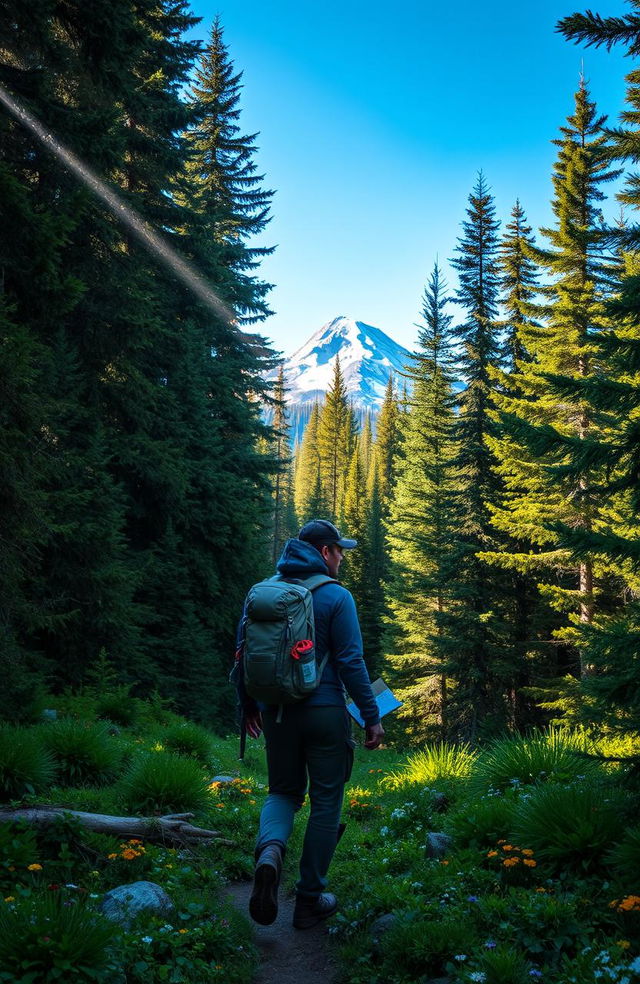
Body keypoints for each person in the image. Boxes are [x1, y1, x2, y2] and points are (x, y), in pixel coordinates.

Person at [239, 519, 384, 930]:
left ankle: (270, 853)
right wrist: (371, 717)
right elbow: (351, 662)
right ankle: (307, 901)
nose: (342, 557)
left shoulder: (263, 591)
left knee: (282, 791)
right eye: (339, 550)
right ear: (324, 552)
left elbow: (243, 652)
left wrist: (248, 705)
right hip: (324, 713)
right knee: (325, 801)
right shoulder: (336, 596)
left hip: (276, 711)